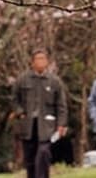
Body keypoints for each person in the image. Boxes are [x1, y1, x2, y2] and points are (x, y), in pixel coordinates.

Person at [13, 48, 69, 178]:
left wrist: (61, 124)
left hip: (47, 127)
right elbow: (14, 99)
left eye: (43, 59)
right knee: (30, 160)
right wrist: (20, 113)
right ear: (32, 62)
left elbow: (61, 105)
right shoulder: (22, 79)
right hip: (28, 126)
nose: (41, 61)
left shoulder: (54, 81)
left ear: (47, 61)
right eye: (38, 59)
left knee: (43, 153)